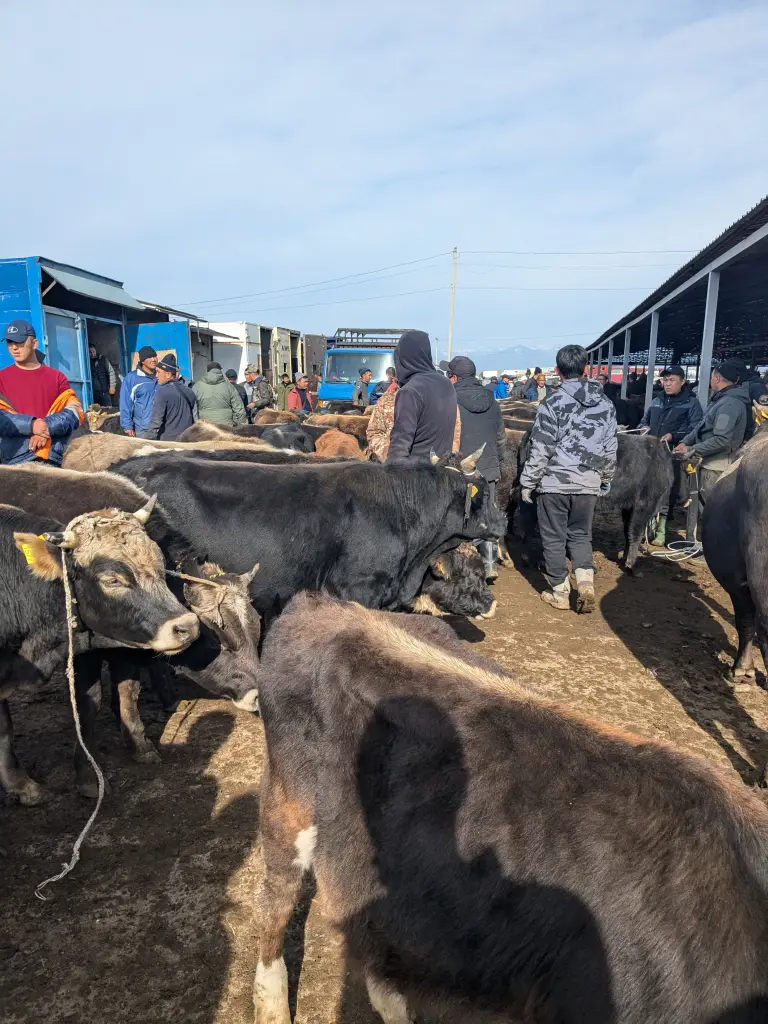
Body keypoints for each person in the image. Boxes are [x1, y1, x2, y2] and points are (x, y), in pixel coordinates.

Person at [519, 344, 617, 613]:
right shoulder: (606, 403)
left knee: (553, 538)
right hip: (588, 483)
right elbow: (610, 446)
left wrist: (528, 482)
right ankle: (585, 583)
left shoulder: (552, 403)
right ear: (585, 368)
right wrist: (605, 477)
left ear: (557, 370)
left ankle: (560, 593)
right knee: (581, 536)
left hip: (554, 484)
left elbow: (541, 447)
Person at [443, 355, 506, 581]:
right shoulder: (493, 401)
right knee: (485, 513)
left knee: (458, 515)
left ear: (454, 377)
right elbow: (500, 438)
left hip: (458, 470)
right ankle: (489, 562)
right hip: (487, 468)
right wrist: (496, 467)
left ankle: (463, 567)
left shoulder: (450, 401)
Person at [0, 319, 84, 466]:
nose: (14, 348)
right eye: (10, 343)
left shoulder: (57, 378)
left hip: (53, 460)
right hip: (12, 463)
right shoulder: (2, 378)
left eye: (20, 342)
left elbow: (74, 413)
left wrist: (46, 426)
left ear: (35, 343)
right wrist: (31, 425)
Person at [638, 366, 703, 545]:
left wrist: (674, 436)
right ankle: (650, 524)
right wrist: (644, 427)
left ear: (682, 381)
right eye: (665, 380)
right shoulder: (657, 400)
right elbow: (645, 420)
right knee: (648, 489)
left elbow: (695, 429)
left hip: (673, 453)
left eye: (672, 380)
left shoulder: (691, 403)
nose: (667, 384)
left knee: (667, 492)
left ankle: (662, 529)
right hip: (652, 453)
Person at [674, 359, 752, 504]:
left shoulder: (729, 403)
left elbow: (722, 439)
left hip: (717, 467)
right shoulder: (720, 400)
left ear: (717, 378)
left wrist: (691, 449)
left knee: (712, 510)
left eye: (711, 377)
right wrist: (685, 441)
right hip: (709, 461)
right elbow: (702, 425)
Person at [386, 330, 457, 462]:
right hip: (442, 472)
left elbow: (399, 447)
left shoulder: (410, 391)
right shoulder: (447, 384)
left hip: (416, 477)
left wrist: (391, 476)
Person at [144, 353, 197, 441]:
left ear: (168, 374)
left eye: (158, 372)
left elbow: (156, 421)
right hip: (187, 441)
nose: (156, 375)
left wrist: (149, 441)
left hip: (168, 442)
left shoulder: (162, 392)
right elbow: (195, 419)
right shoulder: (190, 391)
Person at [193, 360, 247, 428]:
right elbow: (239, 409)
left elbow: (193, 409)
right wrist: (243, 425)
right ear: (220, 371)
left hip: (205, 427)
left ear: (207, 370)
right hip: (226, 427)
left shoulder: (197, 386)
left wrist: (197, 425)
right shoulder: (229, 387)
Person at [120, 345, 158, 437]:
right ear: (142, 361)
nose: (153, 359)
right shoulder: (132, 378)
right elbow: (125, 403)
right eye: (149, 357)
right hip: (143, 429)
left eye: (154, 356)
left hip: (163, 427)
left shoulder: (161, 376)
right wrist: (127, 426)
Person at [366, 373, 399, 460]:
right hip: (390, 464)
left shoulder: (432, 392)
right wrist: (389, 455)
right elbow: (374, 433)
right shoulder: (388, 397)